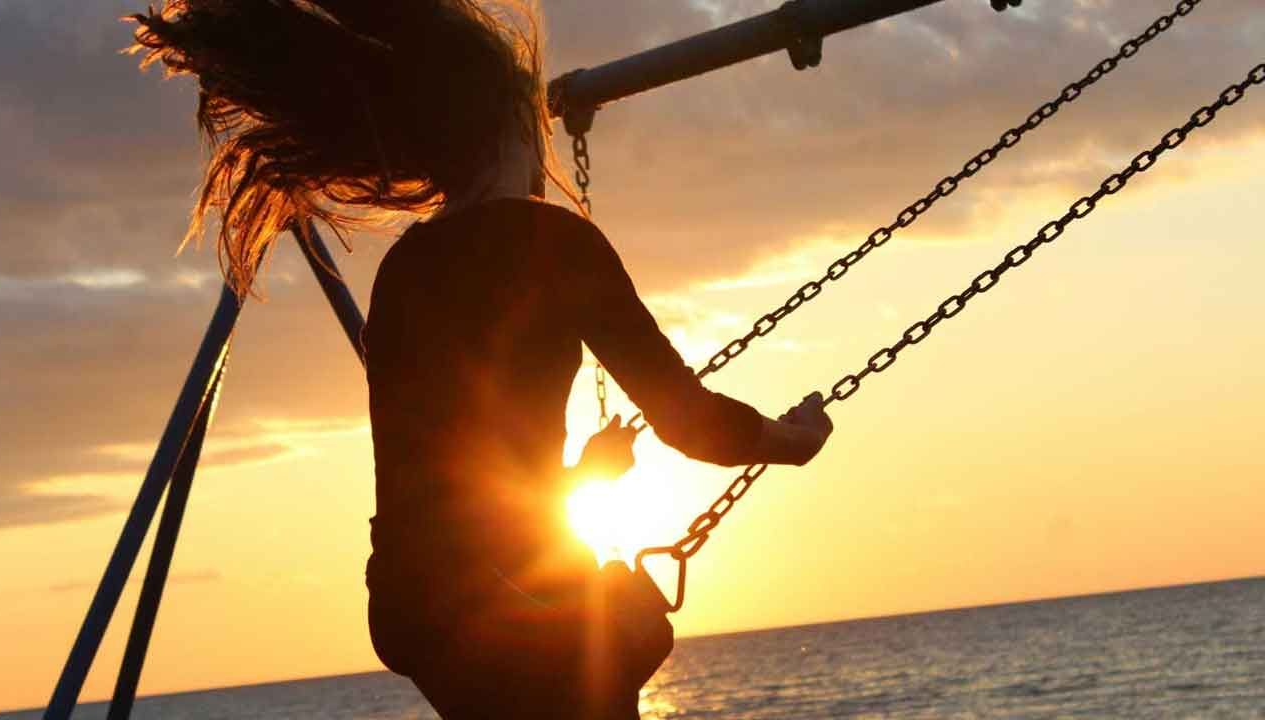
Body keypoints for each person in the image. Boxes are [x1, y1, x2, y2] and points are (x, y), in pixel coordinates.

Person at [130, 1, 833, 717]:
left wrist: (581, 478)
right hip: (504, 604)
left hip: (410, 606)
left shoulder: (402, 271)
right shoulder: (554, 243)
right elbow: (688, 422)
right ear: (516, 123)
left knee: (611, 630)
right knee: (632, 630)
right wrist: (793, 440)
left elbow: (446, 477)